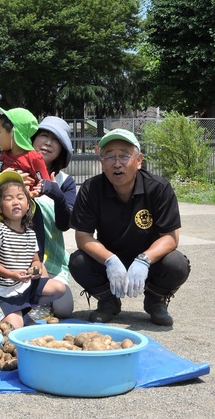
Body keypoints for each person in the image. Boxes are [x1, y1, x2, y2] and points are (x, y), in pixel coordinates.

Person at [69, 129, 191, 326]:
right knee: (78, 261)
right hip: (108, 258)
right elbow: (83, 237)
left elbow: (170, 237)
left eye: (124, 155)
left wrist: (144, 260)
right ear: (101, 160)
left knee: (177, 263)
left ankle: (155, 301)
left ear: (139, 159)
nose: (117, 163)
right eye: (109, 156)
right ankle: (108, 301)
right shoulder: (91, 189)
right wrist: (109, 260)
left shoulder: (159, 188)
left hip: (149, 260)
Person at [0, 171, 66, 329]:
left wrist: (35, 269)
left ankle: (24, 309)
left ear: (28, 205)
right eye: (8, 198)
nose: (15, 202)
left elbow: (35, 260)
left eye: (20, 198)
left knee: (59, 288)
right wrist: (11, 274)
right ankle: (5, 312)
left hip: (24, 285)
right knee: (15, 328)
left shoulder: (30, 233)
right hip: (3, 290)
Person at [28, 116, 77, 318]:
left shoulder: (66, 182)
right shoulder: (16, 172)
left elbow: (65, 224)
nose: (48, 142)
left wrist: (56, 195)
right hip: (13, 258)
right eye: (43, 135)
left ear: (62, 149)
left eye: (55, 139)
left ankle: (33, 296)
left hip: (51, 261)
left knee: (63, 309)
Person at [0, 105, 51, 185]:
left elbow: (45, 185)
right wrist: (6, 177)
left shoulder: (34, 158)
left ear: (13, 132)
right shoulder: (4, 157)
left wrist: (32, 193)